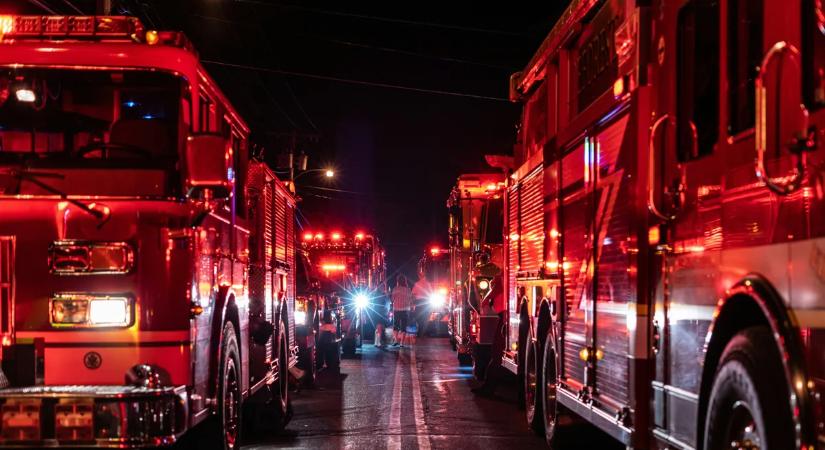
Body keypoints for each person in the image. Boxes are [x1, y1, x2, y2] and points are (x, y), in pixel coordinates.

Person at [470, 251, 507, 396]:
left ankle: (488, 388)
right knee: (496, 352)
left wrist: (485, 300)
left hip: (504, 314)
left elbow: (496, 288)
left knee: (496, 352)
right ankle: (488, 386)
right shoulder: (503, 272)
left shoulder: (502, 274)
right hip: (503, 314)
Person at [391, 275, 414, 348]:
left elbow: (392, 300)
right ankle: (402, 343)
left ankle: (395, 341)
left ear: (398, 281)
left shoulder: (395, 289)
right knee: (404, 326)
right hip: (406, 310)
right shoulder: (408, 290)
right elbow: (411, 300)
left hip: (397, 309)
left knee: (396, 326)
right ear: (405, 281)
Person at [411, 271, 432, 336]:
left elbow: (413, 294)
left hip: (419, 302)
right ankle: (423, 331)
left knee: (419, 317)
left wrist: (413, 303)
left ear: (420, 276)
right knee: (425, 317)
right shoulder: (428, 284)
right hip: (426, 302)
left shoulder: (417, 284)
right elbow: (430, 293)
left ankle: (420, 331)